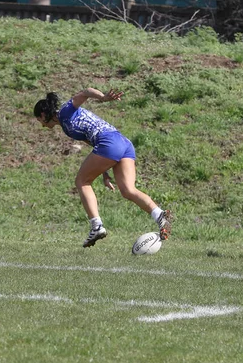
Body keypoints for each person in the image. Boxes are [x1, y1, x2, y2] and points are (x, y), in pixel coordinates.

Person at [33, 88, 172, 247]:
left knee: (82, 181)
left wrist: (104, 98)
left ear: (43, 115)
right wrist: (104, 173)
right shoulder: (65, 126)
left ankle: (96, 226)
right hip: (123, 143)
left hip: (109, 143)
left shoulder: (65, 111)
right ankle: (160, 215)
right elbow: (92, 143)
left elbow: (84, 92)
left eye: (39, 121)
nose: (42, 126)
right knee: (128, 190)